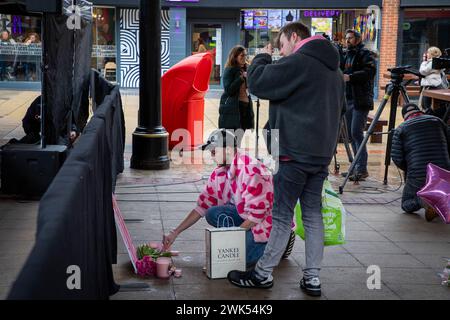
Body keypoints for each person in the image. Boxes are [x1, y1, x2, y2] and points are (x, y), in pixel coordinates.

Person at [227, 22, 345, 297]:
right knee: (313, 215)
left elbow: (258, 82)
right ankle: (313, 278)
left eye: (282, 45)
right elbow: (341, 111)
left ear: (294, 37)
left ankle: (262, 273)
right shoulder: (335, 71)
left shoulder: (300, 62)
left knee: (281, 216)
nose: (282, 51)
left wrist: (264, 57)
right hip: (319, 155)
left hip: (292, 153)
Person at [162, 129, 294, 267]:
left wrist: (231, 241)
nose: (211, 155)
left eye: (214, 151)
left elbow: (257, 215)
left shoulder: (252, 170)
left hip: (268, 222)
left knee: (241, 258)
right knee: (212, 214)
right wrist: (174, 233)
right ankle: (247, 241)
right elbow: (202, 206)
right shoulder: (220, 172)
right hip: (247, 216)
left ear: (229, 150)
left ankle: (282, 241)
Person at [391, 103, 450, 222]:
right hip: (442, 170)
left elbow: (397, 158)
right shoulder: (437, 121)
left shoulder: (401, 128)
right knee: (442, 189)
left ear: (405, 116)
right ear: (420, 111)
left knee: (406, 203)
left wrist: (410, 170)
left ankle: (426, 202)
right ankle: (438, 202)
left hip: (418, 172)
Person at [340, 29, 377, 181]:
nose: (347, 41)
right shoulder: (346, 54)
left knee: (356, 132)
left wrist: (350, 77)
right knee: (351, 134)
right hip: (348, 98)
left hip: (360, 99)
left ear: (357, 39)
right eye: (346, 38)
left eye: (350, 38)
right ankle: (356, 166)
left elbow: (369, 72)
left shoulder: (365, 54)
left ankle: (361, 168)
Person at [218, 45, 255, 147]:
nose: (244, 58)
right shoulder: (229, 70)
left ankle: (235, 158)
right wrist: (241, 78)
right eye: (242, 56)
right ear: (235, 57)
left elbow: (250, 87)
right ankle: (229, 159)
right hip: (234, 107)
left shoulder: (246, 69)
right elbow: (228, 90)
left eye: (245, 55)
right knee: (231, 138)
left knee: (240, 136)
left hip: (246, 105)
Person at [419, 46, 447, 115]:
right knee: (431, 105)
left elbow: (423, 71)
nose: (426, 54)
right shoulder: (439, 62)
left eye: (428, 52)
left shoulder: (432, 62)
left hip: (430, 86)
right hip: (436, 85)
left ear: (432, 54)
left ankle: (429, 119)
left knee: (426, 106)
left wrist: (424, 62)